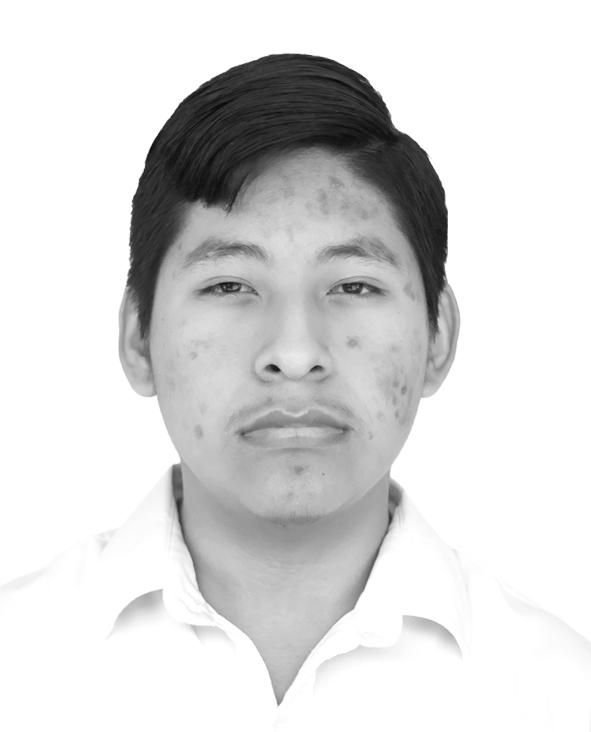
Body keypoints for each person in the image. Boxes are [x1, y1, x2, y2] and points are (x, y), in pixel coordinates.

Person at [1, 53, 590, 732]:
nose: (294, 353)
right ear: (139, 337)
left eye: (353, 285)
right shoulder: (15, 666)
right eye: (229, 285)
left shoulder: (560, 696)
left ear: (437, 336)